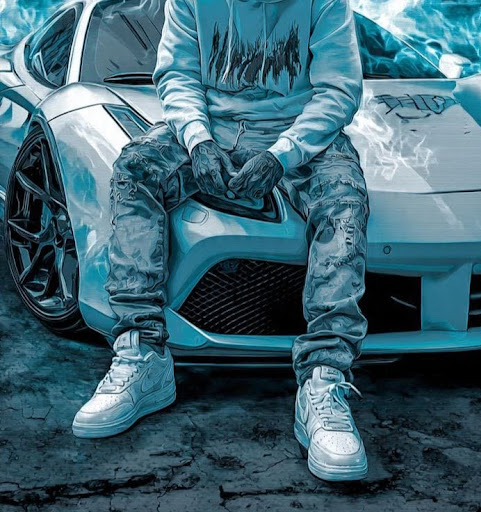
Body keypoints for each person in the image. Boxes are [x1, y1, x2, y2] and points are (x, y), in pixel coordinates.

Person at [73, 0, 371, 482]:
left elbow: (338, 90)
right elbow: (177, 75)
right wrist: (198, 141)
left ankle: (324, 381)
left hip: (299, 133)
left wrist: (282, 155)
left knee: (344, 198)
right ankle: (142, 352)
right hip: (212, 125)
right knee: (135, 168)